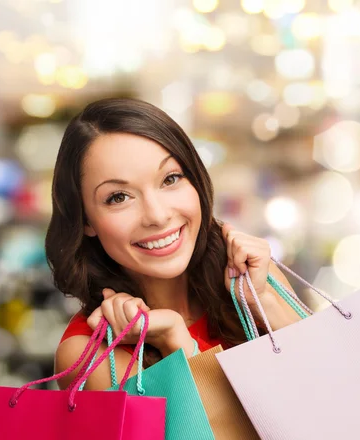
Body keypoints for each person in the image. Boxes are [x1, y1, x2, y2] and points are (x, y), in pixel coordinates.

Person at [48, 98, 302, 390]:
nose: (157, 215)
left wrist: (263, 301)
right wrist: (177, 342)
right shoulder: (90, 354)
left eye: (170, 179)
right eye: (118, 197)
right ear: (85, 221)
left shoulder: (257, 279)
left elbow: (337, 386)